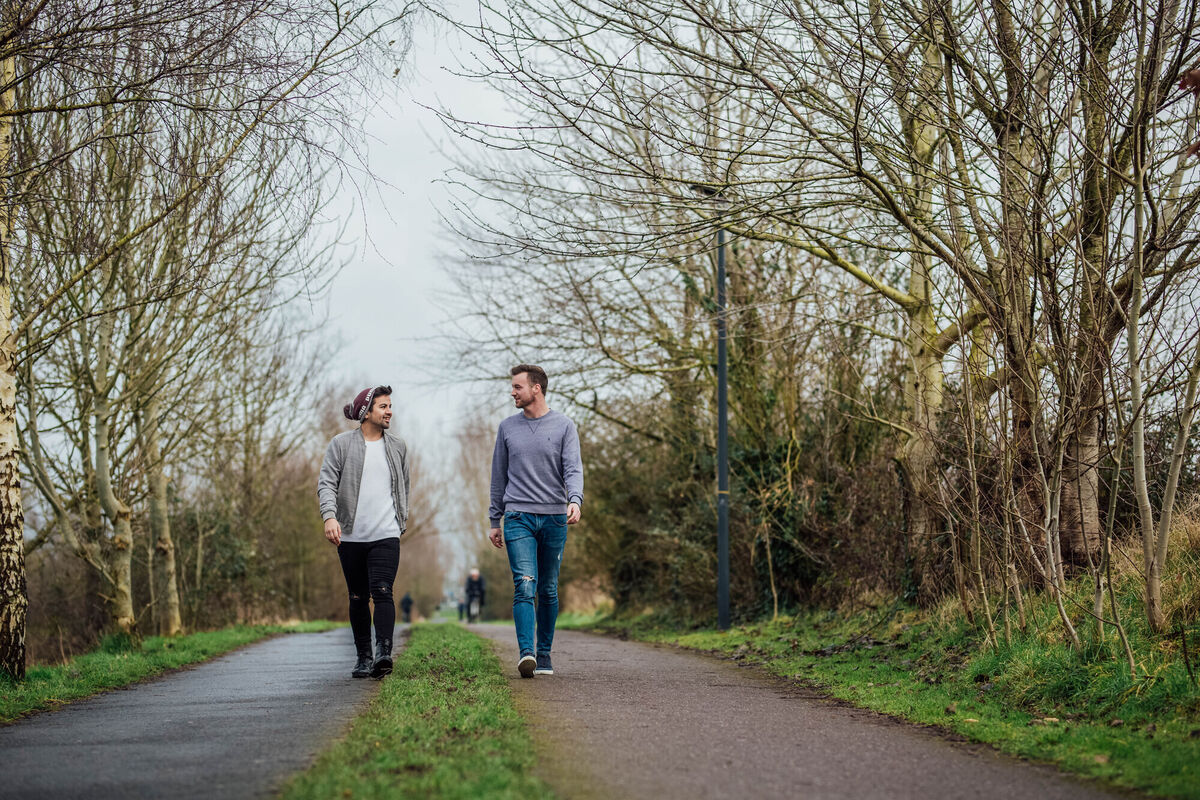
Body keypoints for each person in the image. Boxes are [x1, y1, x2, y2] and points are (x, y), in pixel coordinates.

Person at [489, 364, 583, 678]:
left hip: (555, 517)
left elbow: (573, 468)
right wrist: (494, 519)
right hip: (518, 517)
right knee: (524, 585)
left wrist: (575, 499)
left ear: (536, 389)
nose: (512, 392)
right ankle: (526, 653)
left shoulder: (564, 426)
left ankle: (544, 655)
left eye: (517, 387)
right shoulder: (507, 427)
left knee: (549, 589)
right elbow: (497, 477)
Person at [317, 385, 410, 679]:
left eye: (390, 406)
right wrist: (329, 517)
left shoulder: (398, 446)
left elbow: (404, 486)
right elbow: (326, 483)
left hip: (386, 533)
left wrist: (400, 520)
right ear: (366, 411)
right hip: (351, 536)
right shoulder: (341, 444)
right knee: (357, 596)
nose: (389, 411)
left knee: (382, 592)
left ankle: (383, 653)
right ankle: (363, 657)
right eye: (383, 406)